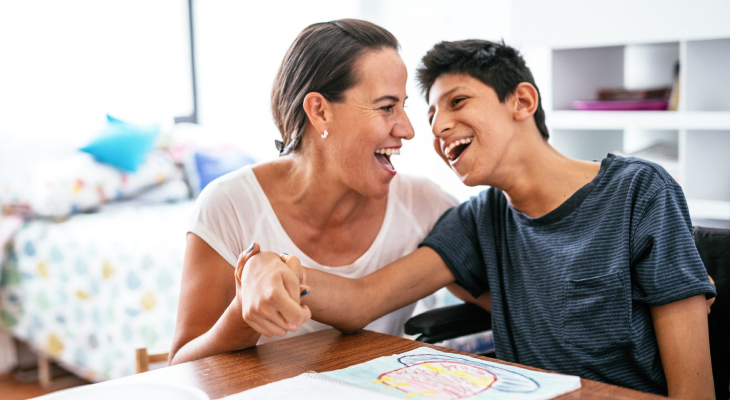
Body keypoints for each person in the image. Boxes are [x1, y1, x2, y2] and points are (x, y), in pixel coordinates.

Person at [239, 40, 717, 398]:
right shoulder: (479, 220)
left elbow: (694, 396)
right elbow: (363, 299)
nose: (437, 127)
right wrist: (273, 269)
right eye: (429, 115)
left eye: (458, 102)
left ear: (522, 102)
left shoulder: (640, 192)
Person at [167, 19, 459, 365]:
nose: (408, 130)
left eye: (403, 106)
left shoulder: (423, 204)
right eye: (385, 107)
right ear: (320, 111)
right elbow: (181, 369)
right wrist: (243, 312)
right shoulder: (228, 206)